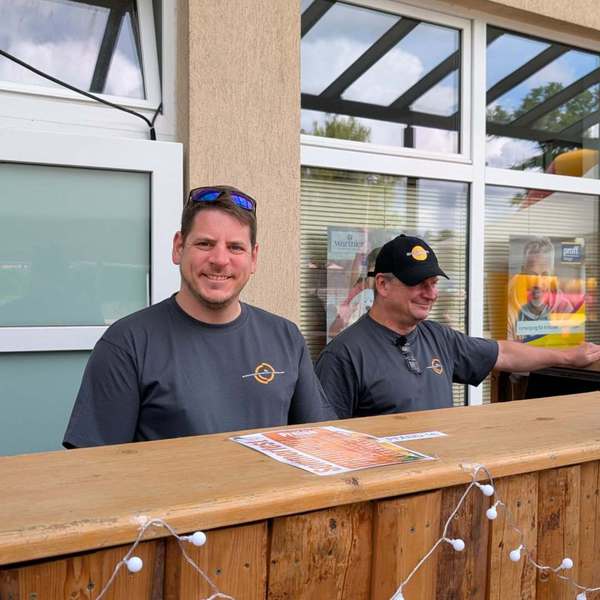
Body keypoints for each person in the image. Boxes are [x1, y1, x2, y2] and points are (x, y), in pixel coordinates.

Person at [64, 185, 333, 448]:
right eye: (205, 244)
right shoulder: (128, 343)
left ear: (253, 257)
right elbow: (95, 465)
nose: (220, 259)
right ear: (179, 247)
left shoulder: (285, 337)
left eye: (235, 247)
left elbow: (318, 444)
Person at [315, 234, 600, 418]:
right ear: (382, 284)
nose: (431, 294)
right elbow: (326, 439)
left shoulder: (438, 337)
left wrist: (568, 357)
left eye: (433, 283)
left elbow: (503, 353)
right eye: (419, 284)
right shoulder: (344, 354)